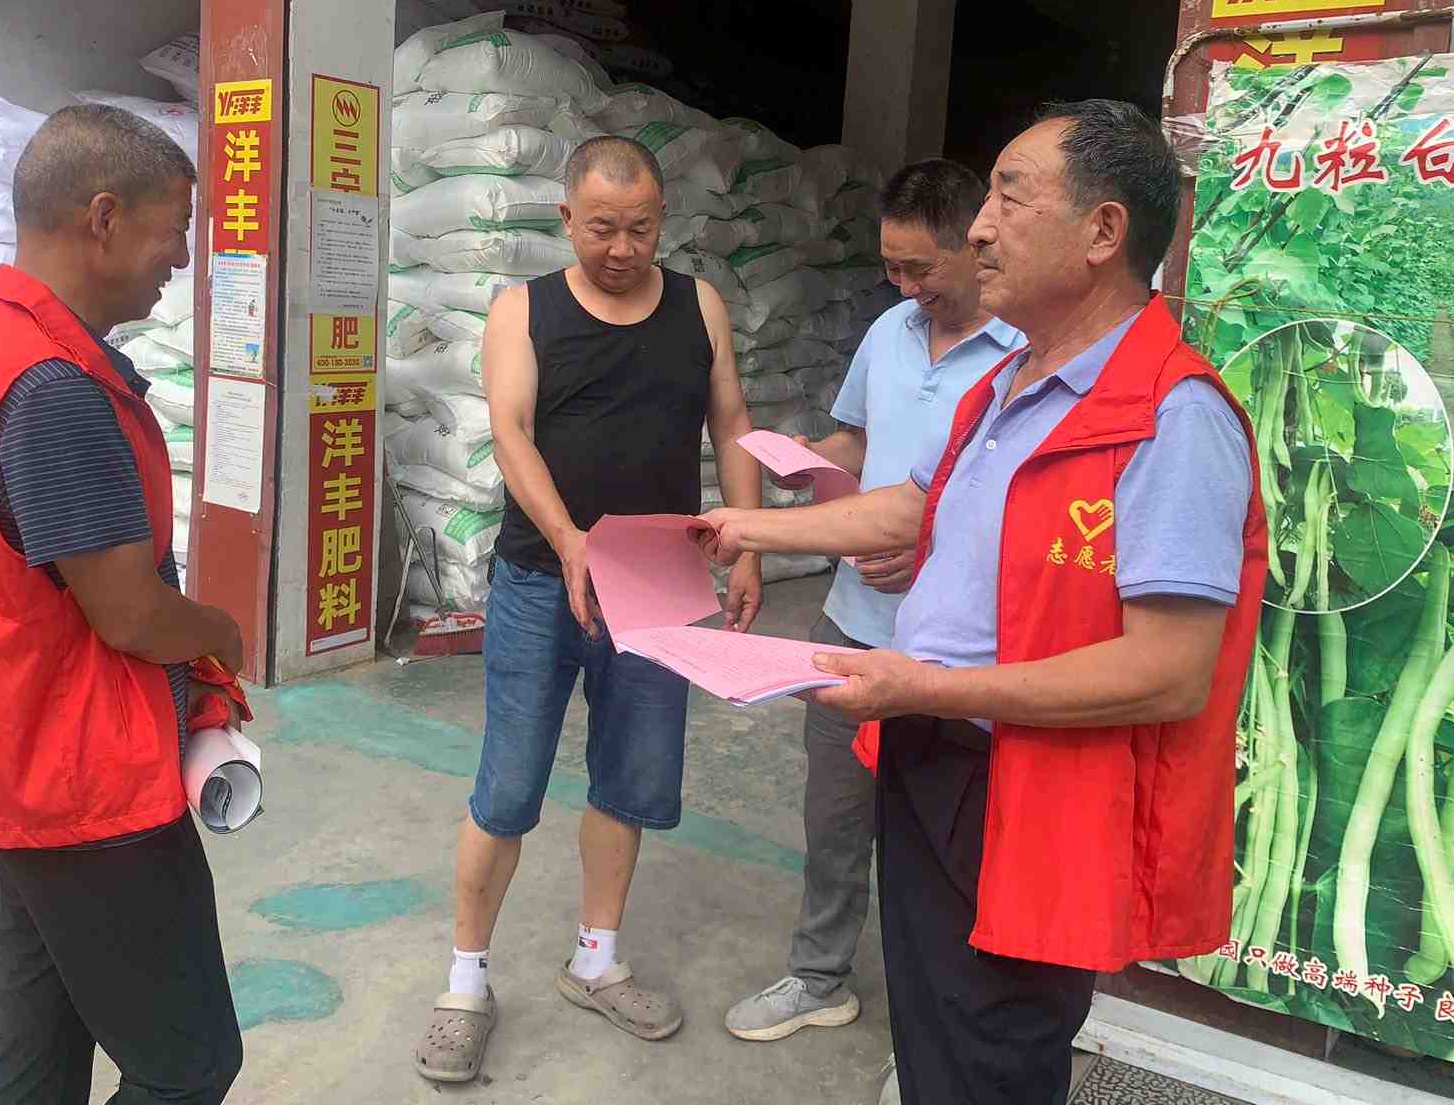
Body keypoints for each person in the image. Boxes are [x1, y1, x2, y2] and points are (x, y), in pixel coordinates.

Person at [700, 100, 1266, 1104]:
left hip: (1027, 787)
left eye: (1009, 195)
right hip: (929, 750)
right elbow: (913, 507)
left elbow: (1169, 671)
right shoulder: (1006, 383)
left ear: (1102, 231)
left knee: (993, 1045)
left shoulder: (1171, 419)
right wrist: (746, 529)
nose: (979, 227)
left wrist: (921, 683)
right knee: (933, 1024)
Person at [0, 104, 249, 1105]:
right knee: (188, 1066)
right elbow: (129, 614)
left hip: (23, 760)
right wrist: (221, 632)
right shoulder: (51, 390)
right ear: (103, 218)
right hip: (81, 780)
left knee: (41, 1052)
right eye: (173, 228)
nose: (180, 257)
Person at [415, 135, 765, 1083]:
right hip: (541, 580)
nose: (622, 248)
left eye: (640, 229)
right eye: (602, 228)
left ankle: (596, 960)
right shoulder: (522, 310)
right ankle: (464, 984)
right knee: (507, 786)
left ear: (663, 220)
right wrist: (570, 540)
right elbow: (510, 431)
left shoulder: (697, 305)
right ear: (566, 218)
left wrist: (748, 538)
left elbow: (730, 420)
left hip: (659, 585)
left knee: (629, 778)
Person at [724, 160, 1023, 1043]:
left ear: (973, 243)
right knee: (834, 818)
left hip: (954, 653)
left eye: (918, 268)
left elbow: (1022, 505)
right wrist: (805, 463)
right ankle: (818, 977)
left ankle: (938, 1031)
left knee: (942, 845)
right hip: (850, 623)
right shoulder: (890, 330)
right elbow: (859, 440)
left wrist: (923, 545)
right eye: (890, 267)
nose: (902, 285)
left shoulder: (1024, 353)